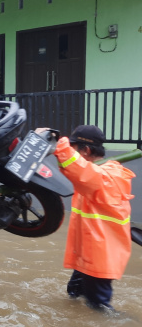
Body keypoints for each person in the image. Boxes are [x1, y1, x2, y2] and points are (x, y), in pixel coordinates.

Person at [36, 125, 135, 311]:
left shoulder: (108, 177)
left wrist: (60, 144)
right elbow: (81, 172)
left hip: (99, 257)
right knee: (73, 294)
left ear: (87, 150)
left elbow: (80, 171)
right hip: (87, 254)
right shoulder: (99, 174)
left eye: (75, 150)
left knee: (98, 306)